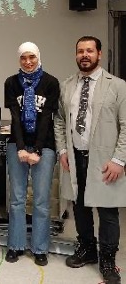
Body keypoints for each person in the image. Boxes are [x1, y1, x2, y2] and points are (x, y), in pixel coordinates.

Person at [55, 36, 126, 284]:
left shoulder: (117, 86)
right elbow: (60, 120)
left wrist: (119, 159)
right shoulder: (67, 86)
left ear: (100, 54)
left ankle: (107, 259)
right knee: (80, 207)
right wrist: (63, 151)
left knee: (107, 212)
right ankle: (87, 248)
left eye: (89, 51)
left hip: (105, 161)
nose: (84, 55)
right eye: (80, 51)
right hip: (76, 158)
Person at [3, 42, 59, 266]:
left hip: (43, 146)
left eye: (32, 57)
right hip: (17, 145)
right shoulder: (11, 82)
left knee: (41, 201)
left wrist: (35, 150)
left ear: (38, 57)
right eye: (23, 58)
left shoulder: (50, 82)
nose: (28, 61)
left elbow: (47, 118)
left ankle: (40, 248)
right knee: (16, 199)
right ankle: (15, 245)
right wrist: (19, 149)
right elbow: (15, 116)